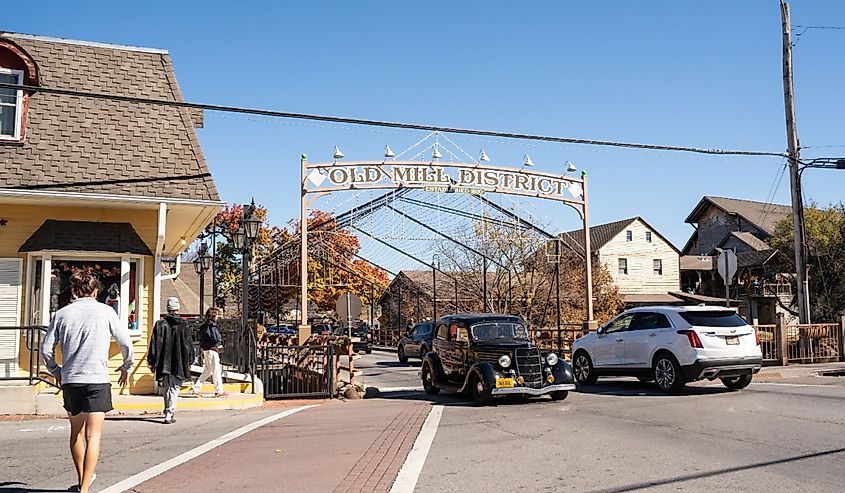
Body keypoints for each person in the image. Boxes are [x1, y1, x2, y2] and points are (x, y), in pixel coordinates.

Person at [41, 271, 133, 493]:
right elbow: (125, 343)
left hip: (71, 379)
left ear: (74, 290)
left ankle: (83, 479)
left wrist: (56, 371)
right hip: (97, 379)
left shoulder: (62, 314)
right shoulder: (106, 312)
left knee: (76, 433)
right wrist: (126, 365)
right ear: (95, 290)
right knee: (94, 436)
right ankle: (84, 489)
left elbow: (46, 350)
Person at [147, 297, 193, 424]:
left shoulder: (160, 324)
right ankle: (169, 412)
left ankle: (168, 410)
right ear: (178, 308)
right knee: (175, 387)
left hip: (164, 360)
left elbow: (154, 344)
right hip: (179, 360)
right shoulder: (183, 325)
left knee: (167, 386)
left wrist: (151, 360)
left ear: (167, 308)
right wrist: (190, 360)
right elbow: (188, 344)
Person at [191, 307, 228, 397]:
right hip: (212, 349)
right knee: (216, 370)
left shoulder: (204, 326)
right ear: (214, 315)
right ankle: (219, 390)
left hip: (206, 350)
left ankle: (196, 388)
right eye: (217, 315)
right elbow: (215, 338)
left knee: (207, 371)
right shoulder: (211, 326)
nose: (218, 317)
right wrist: (219, 339)